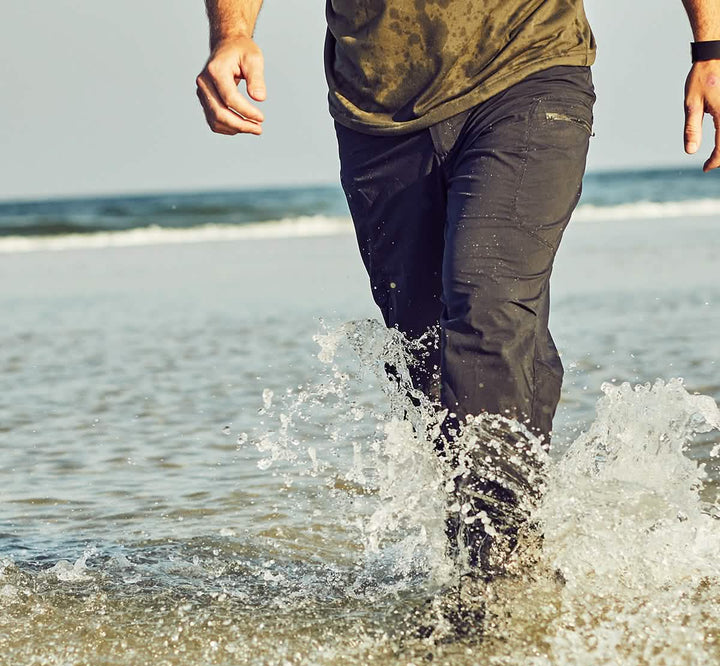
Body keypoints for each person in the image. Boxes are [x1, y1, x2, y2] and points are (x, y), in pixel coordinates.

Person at [196, 0, 720, 577]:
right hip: (378, 112)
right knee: (429, 354)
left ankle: (491, 579)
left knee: (487, 303)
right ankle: (514, 549)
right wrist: (233, 33)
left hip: (527, 69)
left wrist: (710, 48)